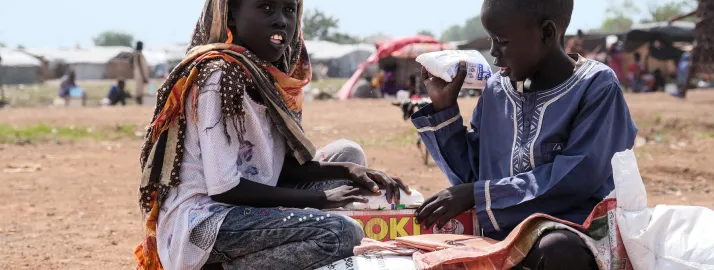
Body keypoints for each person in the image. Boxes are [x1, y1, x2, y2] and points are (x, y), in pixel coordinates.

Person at [134, 1, 409, 270]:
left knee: (349, 153)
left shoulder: (267, 76)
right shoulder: (219, 77)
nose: (281, 20)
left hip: (247, 202)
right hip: (208, 220)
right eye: (266, 8)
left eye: (289, 9)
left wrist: (351, 170)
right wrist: (321, 200)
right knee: (342, 233)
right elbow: (226, 189)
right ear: (231, 16)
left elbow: (278, 168)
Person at [411, 0, 637, 269]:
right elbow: (472, 176)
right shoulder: (496, 90)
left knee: (558, 250)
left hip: (575, 230)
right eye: (491, 40)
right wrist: (444, 108)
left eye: (503, 41)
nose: (494, 54)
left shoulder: (596, 86)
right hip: (501, 233)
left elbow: (579, 176)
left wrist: (480, 195)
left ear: (547, 33)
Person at [669, 0, 714, 100]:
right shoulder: (703, 3)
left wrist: (703, 20)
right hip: (703, 37)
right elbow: (699, 10)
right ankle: (683, 91)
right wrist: (678, 18)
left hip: (713, 36)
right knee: (694, 62)